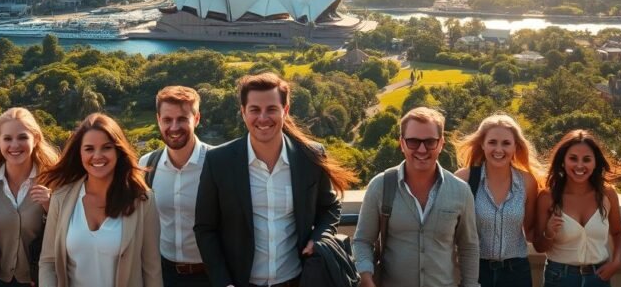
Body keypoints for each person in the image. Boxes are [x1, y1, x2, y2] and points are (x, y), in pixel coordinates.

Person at [194, 72, 357, 287]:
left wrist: (319, 238)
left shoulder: (310, 156)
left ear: (285, 111)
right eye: (254, 110)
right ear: (243, 112)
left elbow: (329, 207)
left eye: (271, 109)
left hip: (296, 281)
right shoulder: (219, 161)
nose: (263, 118)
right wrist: (222, 282)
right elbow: (205, 228)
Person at [353, 107, 479, 287]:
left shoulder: (460, 191)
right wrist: (366, 276)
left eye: (429, 142)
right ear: (402, 143)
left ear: (441, 143)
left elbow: (469, 247)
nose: (421, 149)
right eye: (413, 141)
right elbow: (363, 240)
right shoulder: (380, 186)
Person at [37, 112, 161, 287]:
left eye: (106, 147)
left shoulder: (143, 201)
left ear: (118, 151)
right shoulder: (60, 198)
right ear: (79, 153)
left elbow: (152, 269)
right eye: (89, 149)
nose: (97, 155)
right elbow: (48, 261)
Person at [454, 114, 542, 287]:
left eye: (506, 143)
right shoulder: (463, 179)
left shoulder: (527, 182)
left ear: (516, 146)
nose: (499, 149)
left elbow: (530, 231)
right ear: (482, 144)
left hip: (516, 272)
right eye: (492, 142)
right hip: (476, 271)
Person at [0, 107, 60, 286]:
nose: (15, 145)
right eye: (7, 138)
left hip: (39, 280)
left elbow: (69, 232)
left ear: (36, 139)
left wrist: (51, 205)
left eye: (22, 137)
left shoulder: (53, 180)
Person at [533, 130, 621, 287]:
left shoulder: (607, 194)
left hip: (599, 277)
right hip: (559, 278)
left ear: (595, 162)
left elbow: (618, 233)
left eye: (587, 159)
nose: (580, 165)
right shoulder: (547, 197)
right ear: (563, 161)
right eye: (573, 158)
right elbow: (539, 246)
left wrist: (616, 262)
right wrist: (549, 233)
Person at [140, 86, 212, 287]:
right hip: (163, 274)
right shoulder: (147, 165)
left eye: (182, 119)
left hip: (210, 275)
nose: (174, 127)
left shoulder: (217, 163)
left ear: (196, 119)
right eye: (167, 120)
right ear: (158, 120)